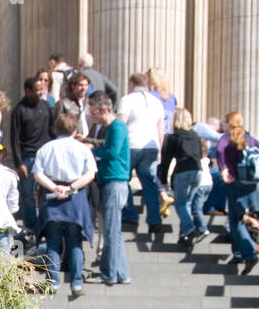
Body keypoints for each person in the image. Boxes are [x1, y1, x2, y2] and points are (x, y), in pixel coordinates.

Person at [33, 111, 95, 296]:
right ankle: (76, 282)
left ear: (55, 129)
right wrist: (71, 188)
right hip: (75, 199)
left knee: (52, 242)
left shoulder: (46, 148)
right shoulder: (82, 148)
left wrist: (54, 188)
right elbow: (90, 174)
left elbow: (37, 173)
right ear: (75, 129)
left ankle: (53, 281)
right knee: (75, 241)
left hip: (52, 199)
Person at [216, 110, 259, 274]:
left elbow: (219, 150)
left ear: (229, 123)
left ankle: (248, 253)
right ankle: (239, 253)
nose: (224, 125)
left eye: (225, 122)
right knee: (236, 219)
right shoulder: (249, 138)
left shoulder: (227, 138)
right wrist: (256, 170)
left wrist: (223, 169)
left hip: (235, 184)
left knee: (236, 221)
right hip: (251, 184)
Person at [88, 93, 131, 285]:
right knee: (114, 230)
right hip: (112, 181)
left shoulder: (117, 127)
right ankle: (122, 273)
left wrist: (92, 150)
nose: (92, 116)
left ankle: (110, 274)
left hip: (115, 182)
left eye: (94, 111)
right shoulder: (114, 128)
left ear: (104, 109)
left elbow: (112, 152)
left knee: (111, 230)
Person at [117, 72, 166, 234]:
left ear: (132, 84)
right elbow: (161, 129)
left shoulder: (127, 99)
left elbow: (121, 123)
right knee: (150, 183)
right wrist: (159, 149)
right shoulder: (157, 102)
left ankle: (130, 213)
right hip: (151, 146)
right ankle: (154, 219)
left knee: (123, 179)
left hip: (131, 144)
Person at [7, 77, 52, 230]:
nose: (40, 92)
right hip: (28, 157)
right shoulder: (19, 110)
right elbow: (14, 139)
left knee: (46, 192)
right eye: (36, 90)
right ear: (27, 91)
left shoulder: (46, 106)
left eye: (42, 89)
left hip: (45, 157)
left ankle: (46, 224)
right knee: (27, 196)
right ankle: (32, 228)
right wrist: (19, 163)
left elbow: (52, 131)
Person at [159, 107, 209, 247]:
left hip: (182, 171)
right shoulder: (195, 135)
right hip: (198, 171)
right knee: (187, 203)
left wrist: (163, 178)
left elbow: (166, 158)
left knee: (180, 204)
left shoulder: (174, 136)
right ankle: (184, 235)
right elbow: (200, 154)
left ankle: (189, 228)